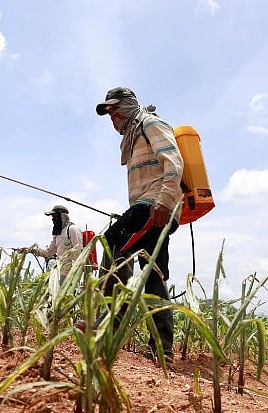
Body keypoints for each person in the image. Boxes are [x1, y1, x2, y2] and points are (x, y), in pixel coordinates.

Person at [93, 87, 184, 362]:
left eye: (115, 111)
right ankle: (162, 348)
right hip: (151, 206)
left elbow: (174, 163)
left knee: (113, 243)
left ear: (128, 106)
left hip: (155, 205)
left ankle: (108, 325)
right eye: (110, 114)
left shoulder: (150, 124)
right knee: (154, 273)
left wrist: (164, 201)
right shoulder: (133, 137)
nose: (113, 118)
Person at [28, 205, 83, 284]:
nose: (53, 219)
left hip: (69, 273)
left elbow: (78, 252)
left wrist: (74, 274)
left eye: (54, 216)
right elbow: (48, 252)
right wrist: (32, 250)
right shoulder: (57, 234)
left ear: (63, 216)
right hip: (59, 272)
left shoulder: (72, 229)